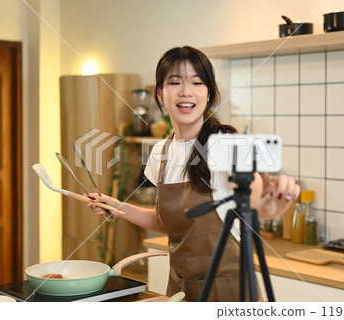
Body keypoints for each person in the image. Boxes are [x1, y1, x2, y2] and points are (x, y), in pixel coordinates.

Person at [88, 46, 300, 302]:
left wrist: (271, 202)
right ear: (160, 94)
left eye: (197, 82)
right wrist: (117, 207)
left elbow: (257, 200)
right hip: (180, 289)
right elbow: (165, 222)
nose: (186, 91)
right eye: (174, 82)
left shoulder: (226, 143)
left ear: (208, 94)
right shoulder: (160, 153)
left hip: (230, 293)